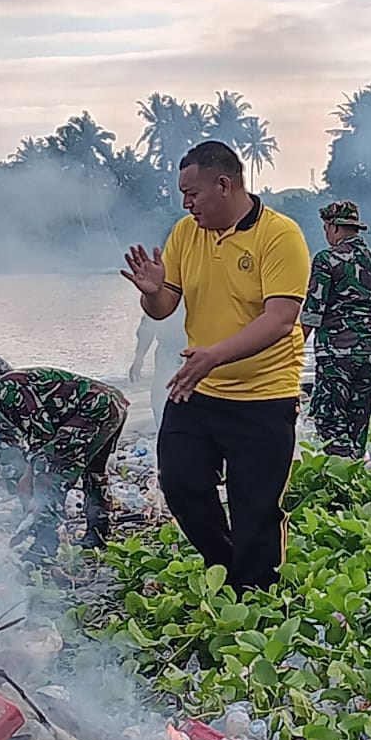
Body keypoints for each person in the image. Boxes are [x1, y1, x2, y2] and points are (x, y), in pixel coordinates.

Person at [121, 140, 309, 594]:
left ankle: (257, 599)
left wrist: (214, 355)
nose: (186, 204)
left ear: (224, 185)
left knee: (255, 508)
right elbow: (165, 307)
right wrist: (151, 290)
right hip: (198, 388)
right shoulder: (186, 233)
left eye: (193, 193)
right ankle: (225, 566)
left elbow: (280, 319)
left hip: (265, 393)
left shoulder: (280, 236)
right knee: (181, 483)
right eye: (183, 195)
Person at [0, 367, 128, 559]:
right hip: (111, 404)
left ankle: (45, 546)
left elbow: (43, 437)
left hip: (96, 407)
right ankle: (99, 534)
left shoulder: (9, 391)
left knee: (51, 472)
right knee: (93, 471)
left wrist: (28, 478)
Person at [299, 200, 371, 458]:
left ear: (333, 227)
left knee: (330, 420)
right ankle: (355, 464)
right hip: (370, 355)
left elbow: (312, 313)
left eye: (326, 228)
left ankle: (342, 475)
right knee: (358, 420)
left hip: (335, 357)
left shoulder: (327, 260)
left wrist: (290, 354)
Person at [129, 308, 187, 429]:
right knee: (160, 399)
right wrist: (139, 357)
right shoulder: (164, 292)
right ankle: (165, 437)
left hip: (196, 351)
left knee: (196, 399)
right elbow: (148, 324)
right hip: (167, 351)